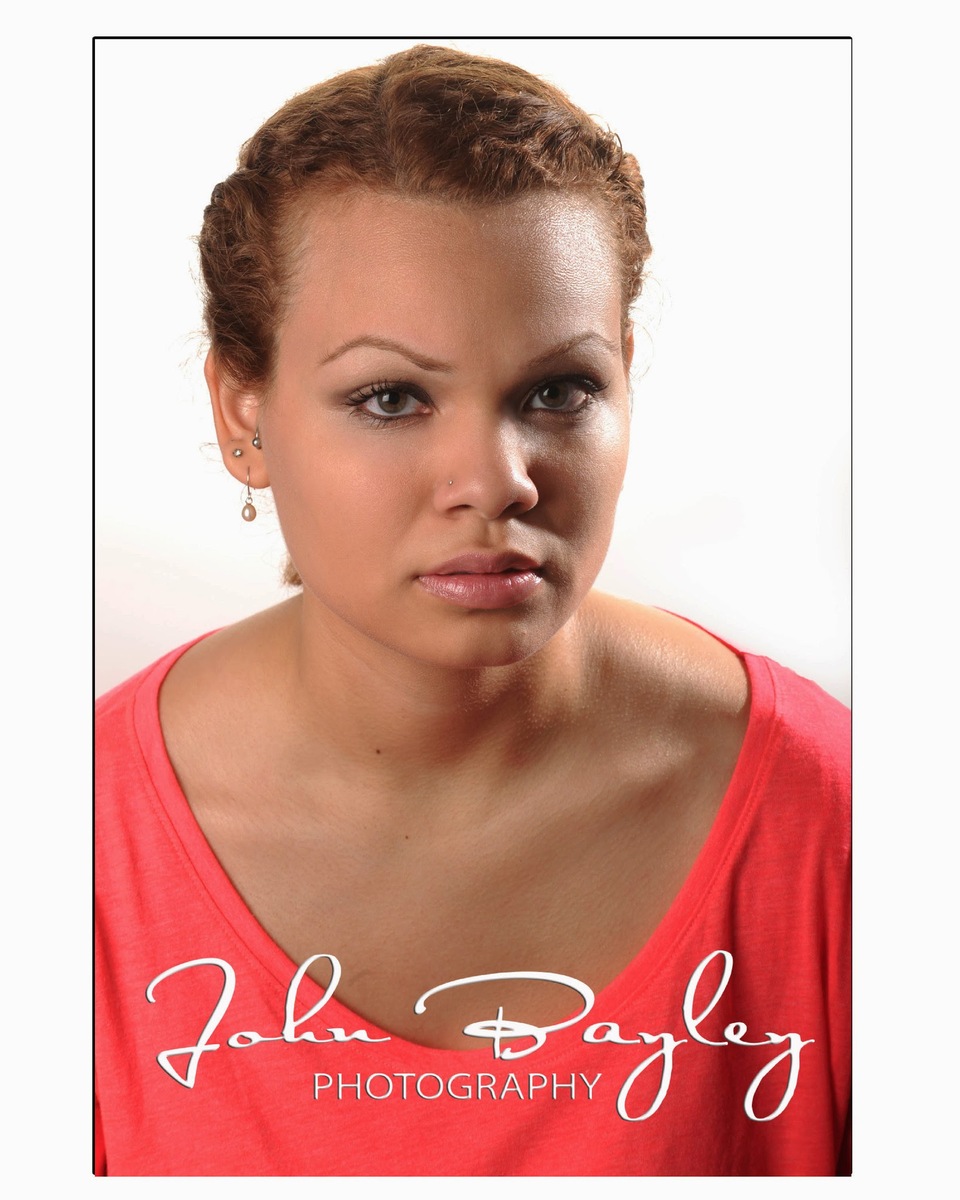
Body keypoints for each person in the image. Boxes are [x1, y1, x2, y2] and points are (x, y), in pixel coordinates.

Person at [95, 43, 850, 1176]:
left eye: (559, 390)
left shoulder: (845, 826)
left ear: (625, 376)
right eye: (391, 398)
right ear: (242, 413)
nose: (497, 482)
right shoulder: (72, 848)